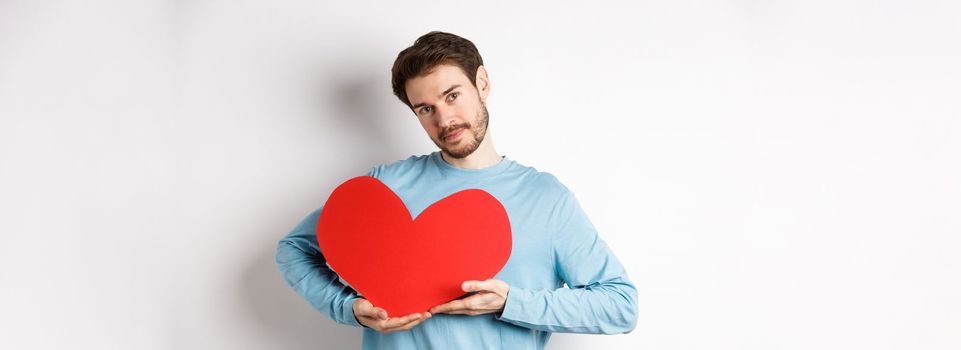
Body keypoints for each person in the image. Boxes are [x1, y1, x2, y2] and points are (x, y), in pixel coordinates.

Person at [275, 31, 637, 349]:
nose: (443, 120)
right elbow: (294, 249)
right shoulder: (385, 187)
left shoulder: (545, 198)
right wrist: (348, 308)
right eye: (425, 109)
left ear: (482, 83)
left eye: (452, 96)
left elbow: (620, 305)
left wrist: (510, 302)